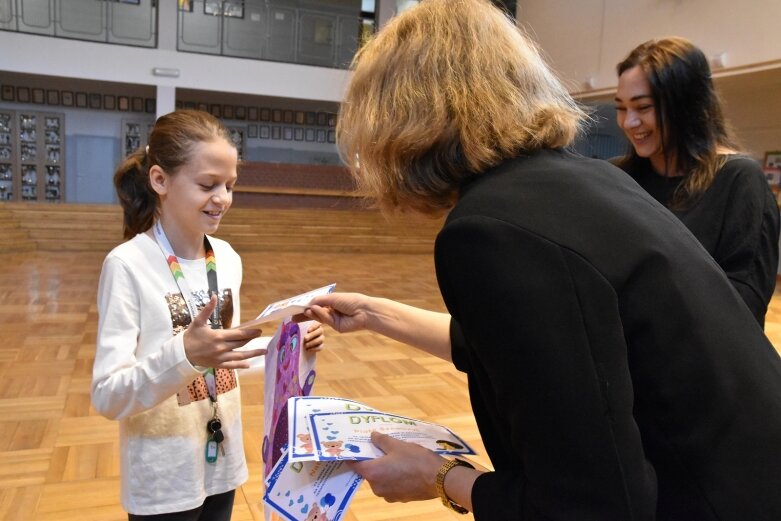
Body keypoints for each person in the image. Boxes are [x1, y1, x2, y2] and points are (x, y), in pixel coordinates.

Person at [302, 1, 781, 520]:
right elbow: (539, 348)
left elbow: (588, 503)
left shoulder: (489, 228)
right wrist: (377, 314)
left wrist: (439, 476)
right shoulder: (588, 181)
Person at [91, 109, 324, 520]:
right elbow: (109, 395)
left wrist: (287, 346)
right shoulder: (127, 264)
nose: (223, 198)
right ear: (160, 180)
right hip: (163, 480)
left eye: (230, 185)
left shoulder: (227, 259)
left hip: (223, 465)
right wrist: (188, 355)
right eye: (207, 185)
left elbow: (224, 356)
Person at [613, 36, 779, 327]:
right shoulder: (617, 178)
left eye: (643, 107)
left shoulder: (739, 180)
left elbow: (743, 308)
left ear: (685, 106)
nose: (629, 122)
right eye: (621, 108)